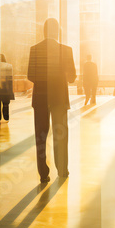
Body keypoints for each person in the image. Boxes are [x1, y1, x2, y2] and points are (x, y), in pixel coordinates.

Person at [27, 18, 76, 183]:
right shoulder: (66, 50)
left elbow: (30, 75)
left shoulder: (34, 50)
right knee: (60, 134)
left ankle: (43, 174)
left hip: (40, 98)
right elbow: (72, 78)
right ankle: (62, 170)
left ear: (44, 31)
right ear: (58, 31)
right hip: (59, 98)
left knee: (41, 135)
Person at [0, 54, 14, 124]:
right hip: (5, 89)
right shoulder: (8, 67)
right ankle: (6, 117)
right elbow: (10, 80)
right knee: (5, 104)